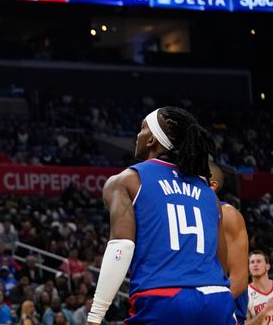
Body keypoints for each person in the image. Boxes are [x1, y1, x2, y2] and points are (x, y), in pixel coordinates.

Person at [87, 107, 233, 325]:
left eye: (142, 129)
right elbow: (222, 263)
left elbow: (122, 247)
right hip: (216, 299)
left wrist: (95, 316)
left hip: (164, 297)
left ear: (151, 140)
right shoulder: (207, 191)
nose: (138, 135)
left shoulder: (128, 180)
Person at [209, 162, 249, 324]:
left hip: (224, 312)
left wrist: (209, 308)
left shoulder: (228, 214)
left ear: (212, 186)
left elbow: (239, 281)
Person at [247, 251, 273, 325]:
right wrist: (265, 311)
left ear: (267, 266)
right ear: (249, 268)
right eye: (252, 262)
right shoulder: (246, 293)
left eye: (259, 261)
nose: (255, 264)